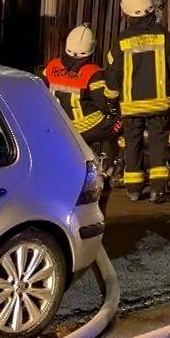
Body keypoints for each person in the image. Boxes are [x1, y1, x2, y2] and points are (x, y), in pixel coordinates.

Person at [105, 0, 170, 203]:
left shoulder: (121, 40)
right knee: (159, 143)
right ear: (150, 9)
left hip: (130, 105)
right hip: (158, 103)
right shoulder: (163, 35)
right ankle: (158, 190)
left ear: (126, 11)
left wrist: (111, 99)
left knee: (133, 143)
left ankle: (134, 189)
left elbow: (113, 71)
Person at [45, 25, 117, 213]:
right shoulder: (92, 73)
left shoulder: (52, 66)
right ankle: (110, 167)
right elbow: (104, 104)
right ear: (91, 49)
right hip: (84, 127)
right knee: (118, 123)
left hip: (58, 126)